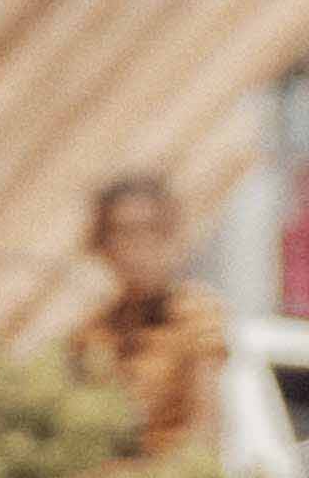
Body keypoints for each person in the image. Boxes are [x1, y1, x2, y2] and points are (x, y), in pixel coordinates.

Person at [70, 173, 229, 458]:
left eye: (152, 230)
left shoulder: (196, 318)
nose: (139, 246)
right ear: (102, 245)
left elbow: (205, 433)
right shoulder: (93, 333)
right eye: (124, 232)